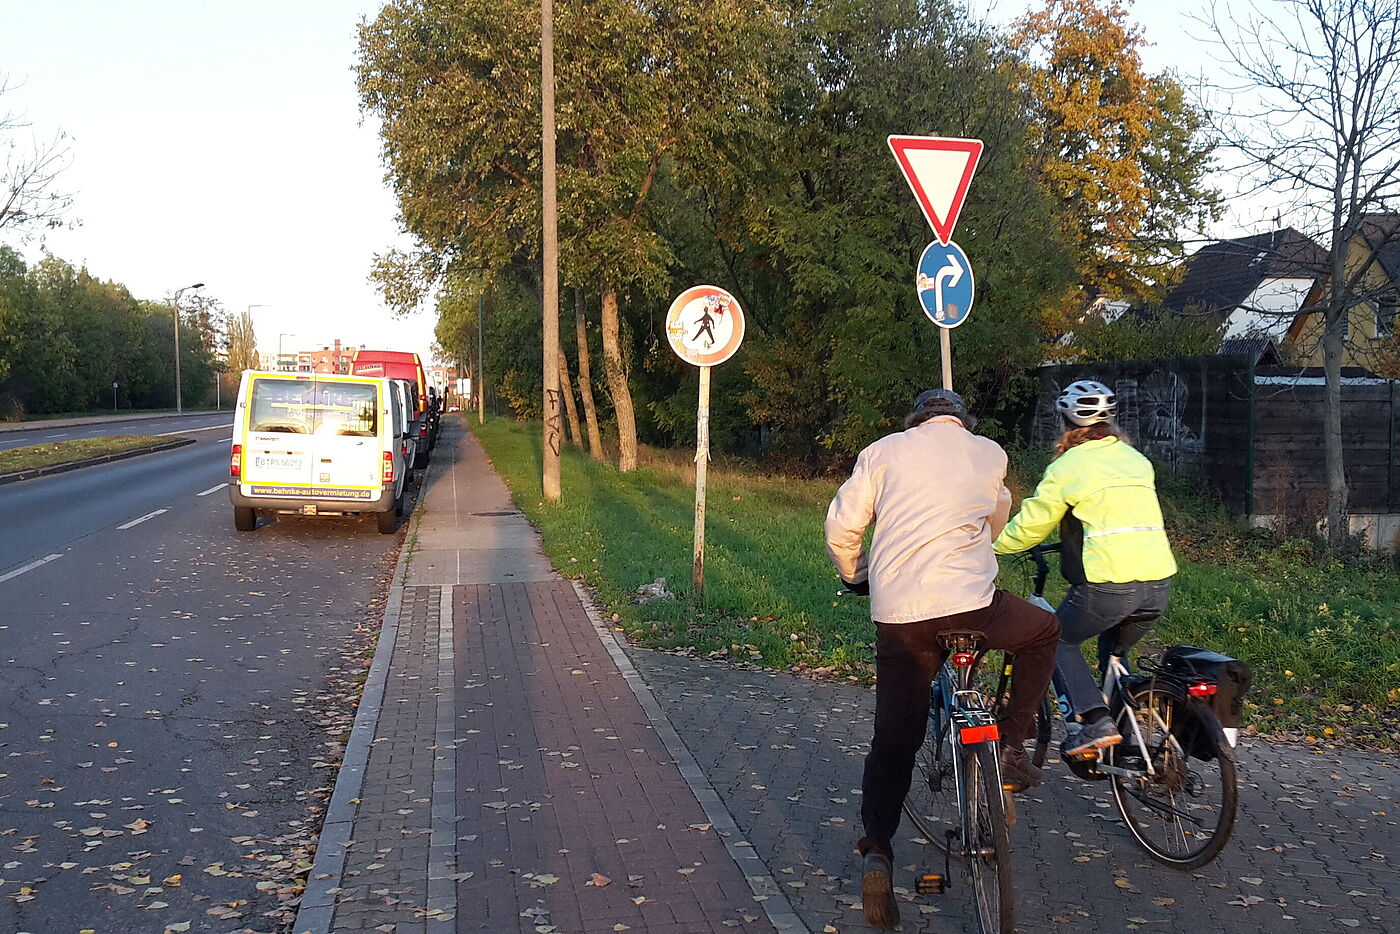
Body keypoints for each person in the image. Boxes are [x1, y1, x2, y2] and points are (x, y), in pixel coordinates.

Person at [825, 389, 1060, 931]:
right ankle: (1011, 743)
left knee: (895, 739)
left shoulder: (882, 452)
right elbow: (996, 519)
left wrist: (855, 575)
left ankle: (878, 850)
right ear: (962, 422)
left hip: (903, 615)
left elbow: (843, 528)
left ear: (914, 421)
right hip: (974, 607)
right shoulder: (989, 452)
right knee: (1044, 629)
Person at [992, 379, 1178, 758]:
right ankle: (1124, 744)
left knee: (1053, 639)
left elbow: (1031, 527)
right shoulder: (1135, 459)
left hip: (1109, 585)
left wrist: (988, 546)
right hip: (1158, 583)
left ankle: (1094, 722)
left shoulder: (1069, 466)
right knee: (1113, 655)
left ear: (1066, 424)